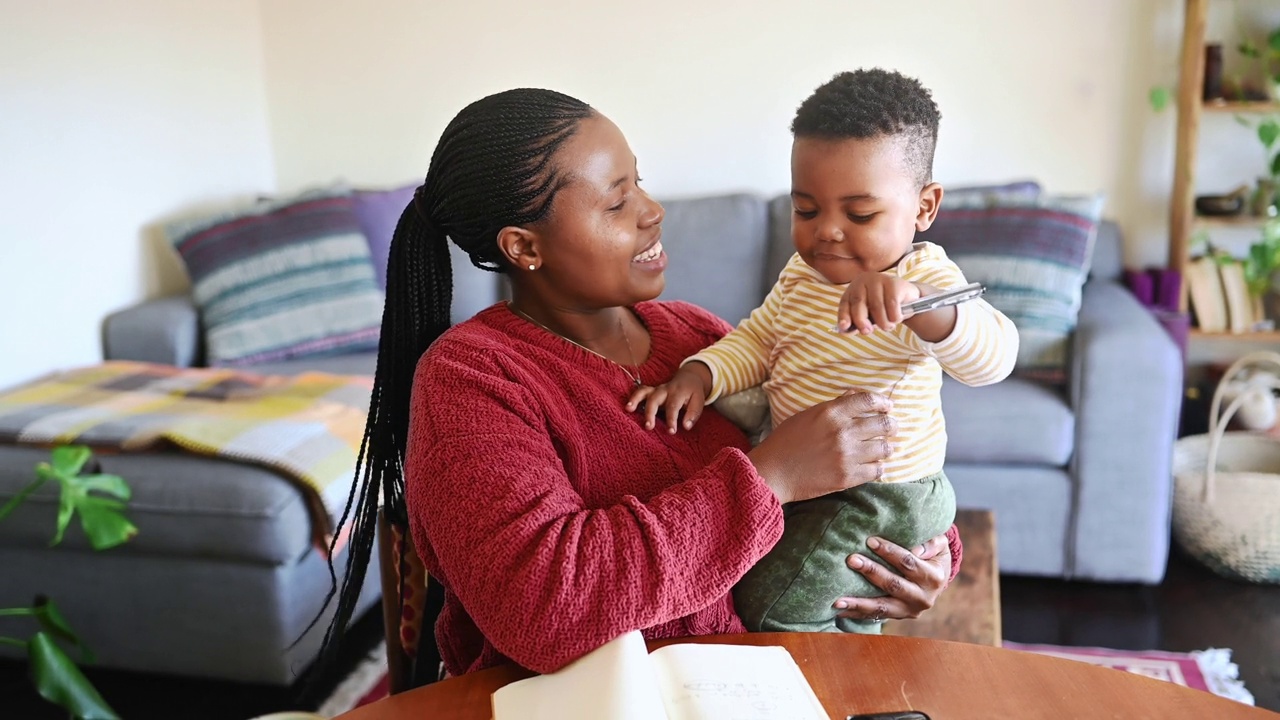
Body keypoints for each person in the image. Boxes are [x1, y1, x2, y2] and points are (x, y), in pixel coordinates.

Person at [317, 87, 964, 679]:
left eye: (641, 185)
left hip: (767, 681)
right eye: (618, 201)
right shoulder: (471, 380)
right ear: (524, 246)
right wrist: (770, 479)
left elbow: (847, 449)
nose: (653, 213)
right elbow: (544, 608)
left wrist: (918, 555)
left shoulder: (697, 337)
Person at [627, 69, 1018, 634]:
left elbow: (995, 358)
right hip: (811, 482)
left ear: (925, 207)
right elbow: (759, 340)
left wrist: (921, 305)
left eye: (859, 215)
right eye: (807, 210)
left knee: (773, 608)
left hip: (881, 493)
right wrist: (700, 372)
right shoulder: (800, 276)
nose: (828, 233)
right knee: (805, 595)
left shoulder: (922, 275)